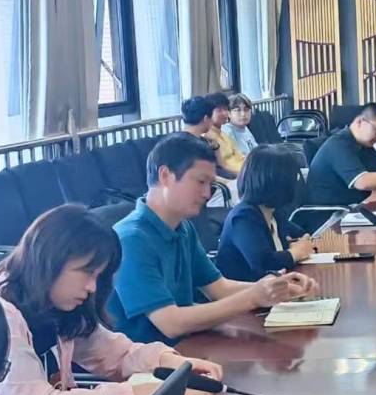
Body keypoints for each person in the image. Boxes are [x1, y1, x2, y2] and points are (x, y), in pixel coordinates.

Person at [0, 204, 225, 395]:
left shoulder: (57, 304)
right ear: (50, 261)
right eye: (87, 272)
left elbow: (117, 355)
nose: (92, 287)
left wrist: (167, 361)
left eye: (97, 276)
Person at [110, 134, 317, 344]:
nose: (207, 193)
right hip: (152, 358)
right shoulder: (131, 238)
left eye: (210, 184)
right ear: (165, 176)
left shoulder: (183, 228)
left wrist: (278, 288)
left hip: (186, 346)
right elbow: (171, 323)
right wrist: (253, 296)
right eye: (200, 182)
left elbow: (219, 288)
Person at [219, 145, 319, 281]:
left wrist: (300, 245)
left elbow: (301, 235)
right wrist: (294, 253)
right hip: (247, 291)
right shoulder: (243, 217)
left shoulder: (273, 212)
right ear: (279, 182)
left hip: (276, 286)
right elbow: (262, 263)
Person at [206, 93, 248, 179]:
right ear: (208, 113)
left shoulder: (224, 134)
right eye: (219, 110)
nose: (224, 113)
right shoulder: (208, 137)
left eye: (226, 109)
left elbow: (241, 156)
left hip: (245, 170)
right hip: (235, 177)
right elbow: (221, 168)